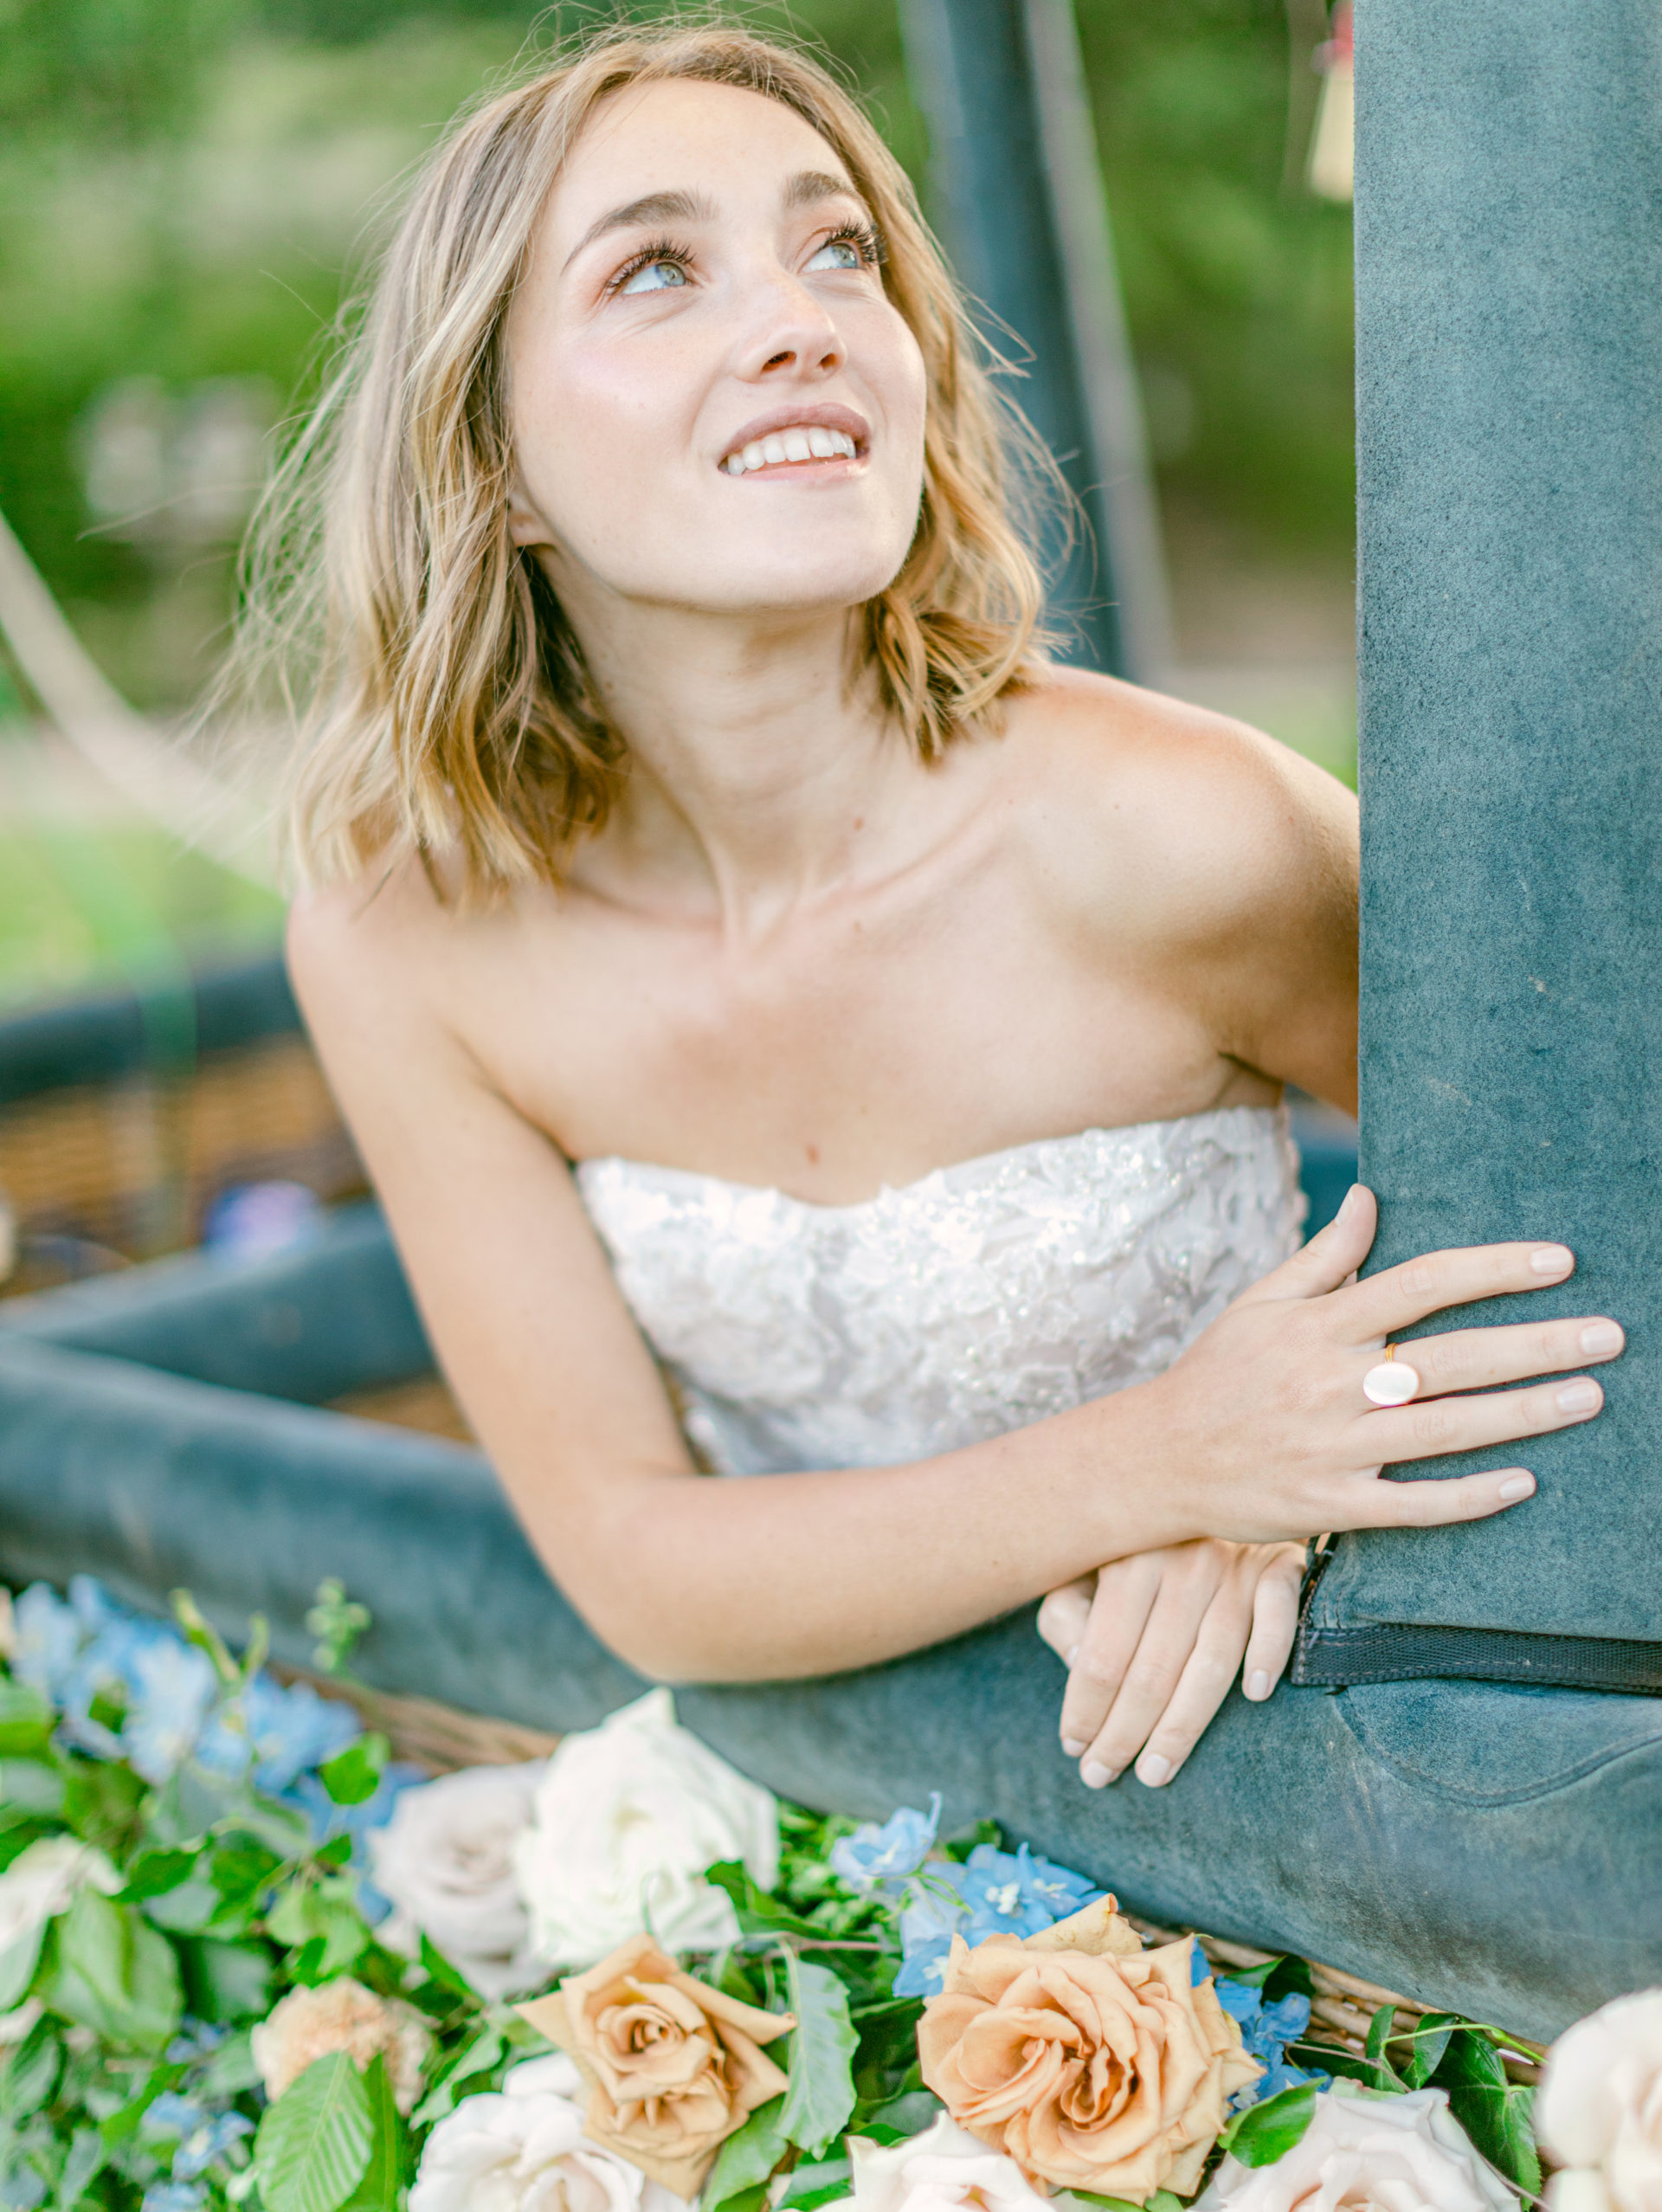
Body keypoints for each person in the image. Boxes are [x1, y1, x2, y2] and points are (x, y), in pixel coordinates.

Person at [252, 22, 1621, 1799]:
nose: (803, 313)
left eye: (841, 251)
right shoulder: (404, 949)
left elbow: (1592, 1205)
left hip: (1356, 1843)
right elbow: (639, 1562)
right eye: (658, 268)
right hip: (858, 1859)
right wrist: (1174, 1460)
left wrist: (1315, 1500)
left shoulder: (1180, 832)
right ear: (492, 458)